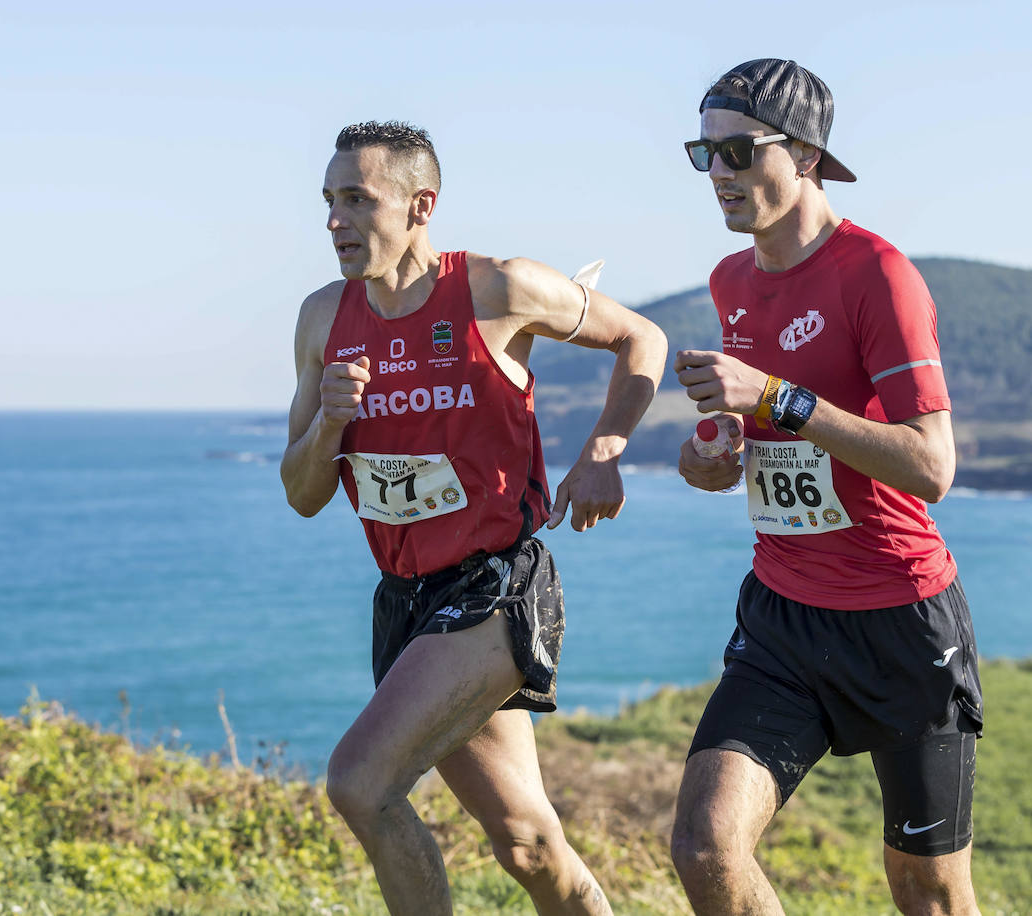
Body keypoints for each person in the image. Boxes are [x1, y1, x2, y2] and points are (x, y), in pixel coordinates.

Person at [281, 120, 666, 914]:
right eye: (327, 201)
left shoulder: (498, 288)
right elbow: (303, 491)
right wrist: (328, 424)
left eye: (357, 199)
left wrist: (605, 447)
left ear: (421, 205)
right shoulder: (323, 319)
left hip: (495, 588)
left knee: (361, 784)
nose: (334, 222)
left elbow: (641, 336)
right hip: (407, 600)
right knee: (526, 842)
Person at [669, 60, 983, 915]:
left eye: (738, 150)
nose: (720, 174)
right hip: (784, 617)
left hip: (900, 618)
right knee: (704, 844)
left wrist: (776, 397)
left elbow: (932, 466)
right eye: (705, 155)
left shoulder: (878, 274)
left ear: (804, 154)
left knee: (928, 889)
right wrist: (716, 456)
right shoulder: (730, 281)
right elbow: (760, 437)